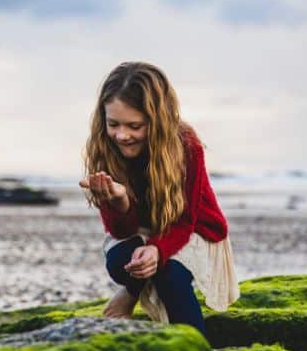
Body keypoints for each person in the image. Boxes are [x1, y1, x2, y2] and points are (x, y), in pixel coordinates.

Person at [80, 62, 240, 335]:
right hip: (145, 228)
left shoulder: (185, 146)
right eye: (113, 124)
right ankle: (134, 286)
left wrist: (157, 250)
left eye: (135, 126)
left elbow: (185, 220)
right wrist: (120, 201)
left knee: (171, 276)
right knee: (121, 261)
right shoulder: (104, 148)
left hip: (192, 228)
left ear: (157, 121)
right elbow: (121, 231)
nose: (122, 135)